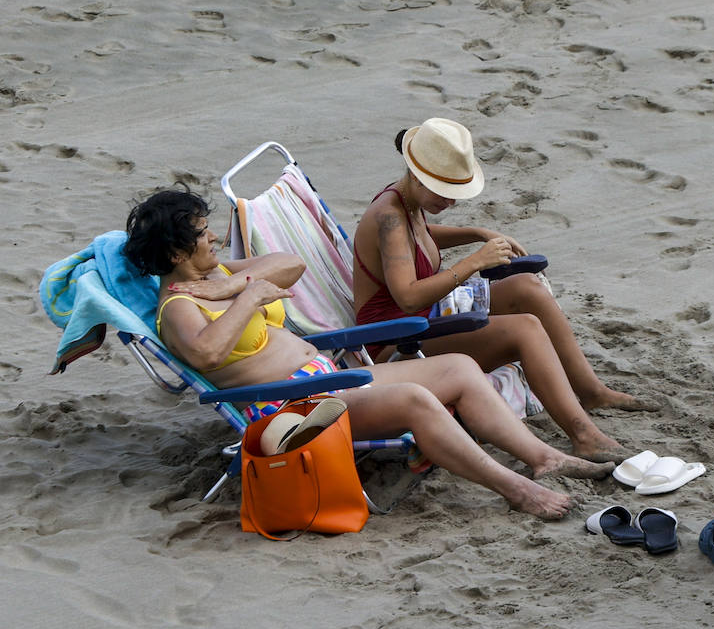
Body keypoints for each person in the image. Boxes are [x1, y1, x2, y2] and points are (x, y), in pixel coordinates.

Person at [123, 187, 615, 521]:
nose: (213, 237)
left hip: (322, 381)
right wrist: (249, 299)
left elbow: (290, 264)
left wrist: (234, 283)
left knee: (460, 368)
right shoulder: (180, 309)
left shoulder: (215, 278)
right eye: (202, 233)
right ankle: (518, 489)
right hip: (290, 409)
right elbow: (207, 357)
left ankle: (543, 457)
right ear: (174, 255)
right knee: (415, 400)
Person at [352, 117, 658, 464]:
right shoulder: (389, 218)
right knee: (524, 328)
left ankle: (590, 391)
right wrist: (473, 262)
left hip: (423, 320)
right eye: (446, 191)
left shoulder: (406, 200)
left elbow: (419, 239)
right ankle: (584, 437)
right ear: (418, 176)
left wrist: (475, 231)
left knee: (525, 287)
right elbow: (408, 297)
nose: (451, 202)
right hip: (394, 342)